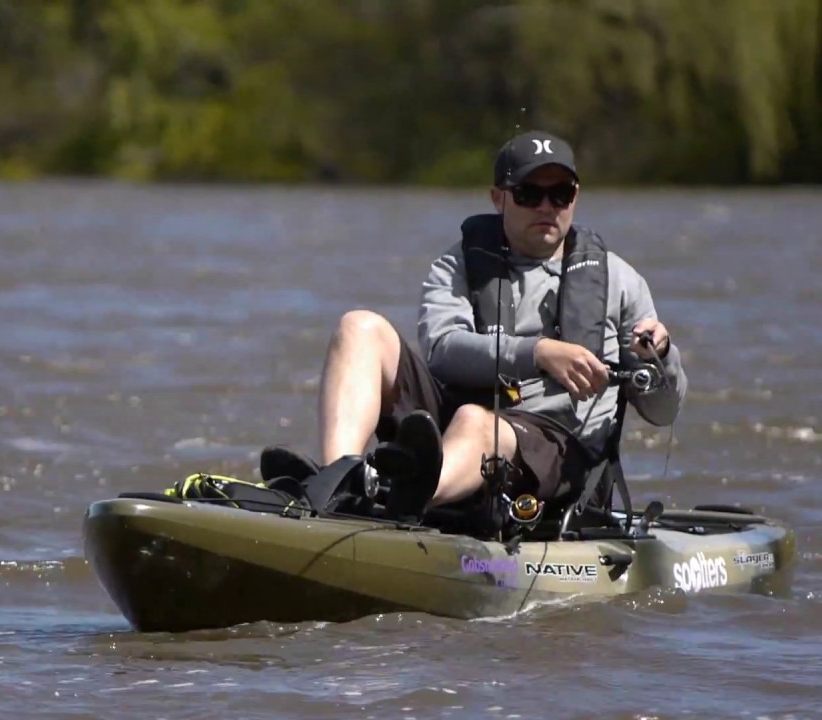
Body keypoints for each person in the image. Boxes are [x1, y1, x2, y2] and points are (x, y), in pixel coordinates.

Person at [262, 130, 687, 526]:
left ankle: (410, 497)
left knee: (477, 421)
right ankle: (341, 483)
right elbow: (443, 350)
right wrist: (538, 352)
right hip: (454, 427)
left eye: (560, 193)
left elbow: (663, 411)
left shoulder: (620, 281)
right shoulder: (459, 264)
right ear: (498, 198)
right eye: (529, 193)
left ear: (575, 197)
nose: (546, 206)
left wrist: (661, 357)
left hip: (557, 455)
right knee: (359, 327)